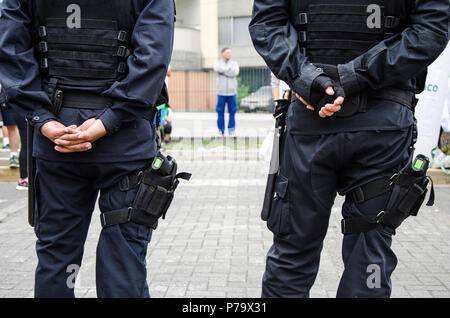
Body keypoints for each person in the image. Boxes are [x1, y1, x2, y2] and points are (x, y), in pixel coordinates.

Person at [249, 0, 449, 298]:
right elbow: (429, 30)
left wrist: (307, 78)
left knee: (293, 254)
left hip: (314, 118)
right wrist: (354, 75)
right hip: (382, 127)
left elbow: (268, 24)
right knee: (369, 260)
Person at [0, 0, 175, 298]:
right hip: (125, 143)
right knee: (123, 264)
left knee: (57, 262)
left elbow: (12, 52)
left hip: (57, 140)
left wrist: (43, 119)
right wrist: (109, 119)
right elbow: (153, 56)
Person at [214, 48, 240, 136]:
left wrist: (224, 71)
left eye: (230, 53)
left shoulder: (234, 64)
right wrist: (228, 70)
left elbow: (235, 72)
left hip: (232, 93)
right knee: (220, 112)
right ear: (222, 54)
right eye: (227, 52)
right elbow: (217, 69)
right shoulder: (218, 63)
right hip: (221, 92)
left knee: (232, 112)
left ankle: (231, 130)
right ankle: (221, 130)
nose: (229, 54)